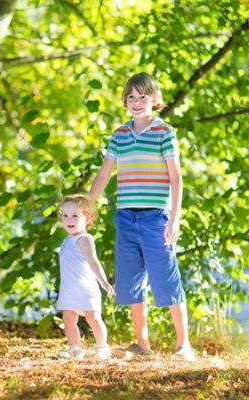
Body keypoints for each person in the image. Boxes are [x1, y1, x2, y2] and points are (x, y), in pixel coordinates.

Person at [88, 72, 195, 361]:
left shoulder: (164, 132)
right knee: (131, 281)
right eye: (131, 97)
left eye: (142, 97)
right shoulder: (120, 135)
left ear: (154, 99)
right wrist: (88, 202)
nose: (136, 102)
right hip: (126, 219)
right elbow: (105, 173)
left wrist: (174, 218)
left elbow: (176, 178)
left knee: (166, 279)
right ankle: (142, 345)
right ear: (125, 101)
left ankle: (184, 345)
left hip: (156, 219)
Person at [56, 194, 115, 360]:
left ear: (87, 217)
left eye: (75, 215)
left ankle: (102, 346)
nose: (69, 219)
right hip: (69, 289)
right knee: (68, 319)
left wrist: (104, 282)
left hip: (86, 289)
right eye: (65, 215)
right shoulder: (68, 239)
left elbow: (94, 262)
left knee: (93, 319)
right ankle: (75, 348)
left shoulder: (84, 239)